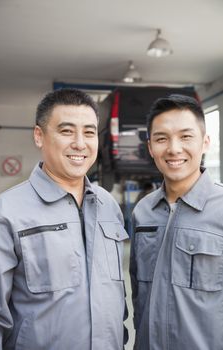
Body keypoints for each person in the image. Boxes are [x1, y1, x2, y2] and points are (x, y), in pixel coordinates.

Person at [0, 88, 129, 350]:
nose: (80, 143)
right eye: (66, 131)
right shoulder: (5, 213)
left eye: (89, 132)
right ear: (39, 136)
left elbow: (116, 300)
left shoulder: (108, 205)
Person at [130, 94, 223, 350]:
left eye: (185, 136)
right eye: (162, 138)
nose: (173, 148)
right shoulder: (143, 212)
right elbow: (139, 296)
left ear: (205, 142)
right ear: (150, 147)